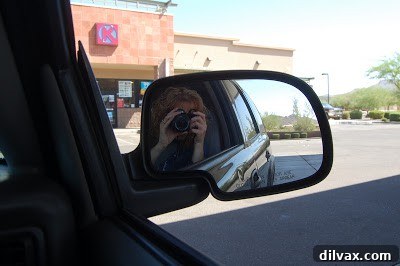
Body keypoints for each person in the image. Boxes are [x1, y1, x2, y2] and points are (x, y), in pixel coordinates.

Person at [150, 87, 207, 171]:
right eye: (179, 114)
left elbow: (199, 174)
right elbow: (142, 169)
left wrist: (199, 143)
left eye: (190, 115)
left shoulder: (199, 142)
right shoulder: (149, 140)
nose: (184, 120)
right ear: (165, 116)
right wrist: (161, 145)